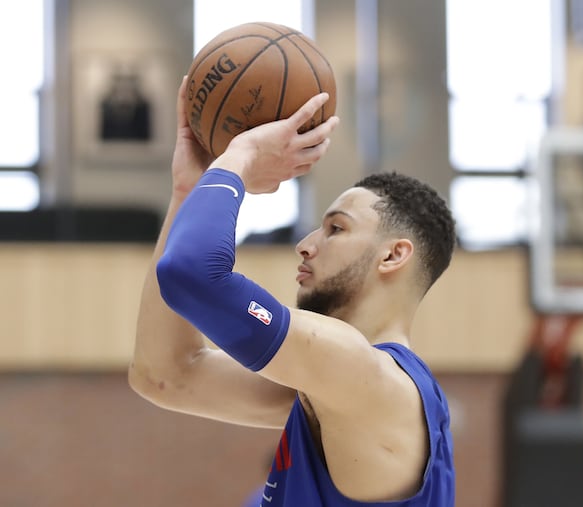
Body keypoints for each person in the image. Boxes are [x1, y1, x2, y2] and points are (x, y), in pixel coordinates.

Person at [128, 77, 457, 506]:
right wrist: (190, 192)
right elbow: (164, 376)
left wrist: (240, 157)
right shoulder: (337, 387)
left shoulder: (360, 371)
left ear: (394, 255)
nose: (306, 243)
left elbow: (193, 273)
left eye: (336, 228)